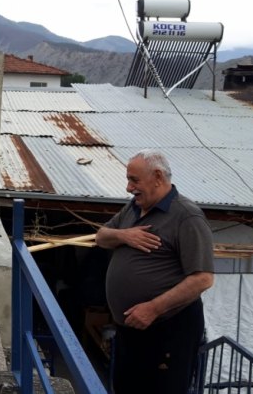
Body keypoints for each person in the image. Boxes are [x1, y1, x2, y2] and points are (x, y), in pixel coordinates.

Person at [95, 149, 214, 394]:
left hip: (167, 330)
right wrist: (124, 235)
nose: (129, 188)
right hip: (131, 331)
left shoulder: (187, 216)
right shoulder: (134, 209)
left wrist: (153, 308)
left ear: (158, 176)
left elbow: (203, 278)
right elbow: (101, 237)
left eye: (134, 180)